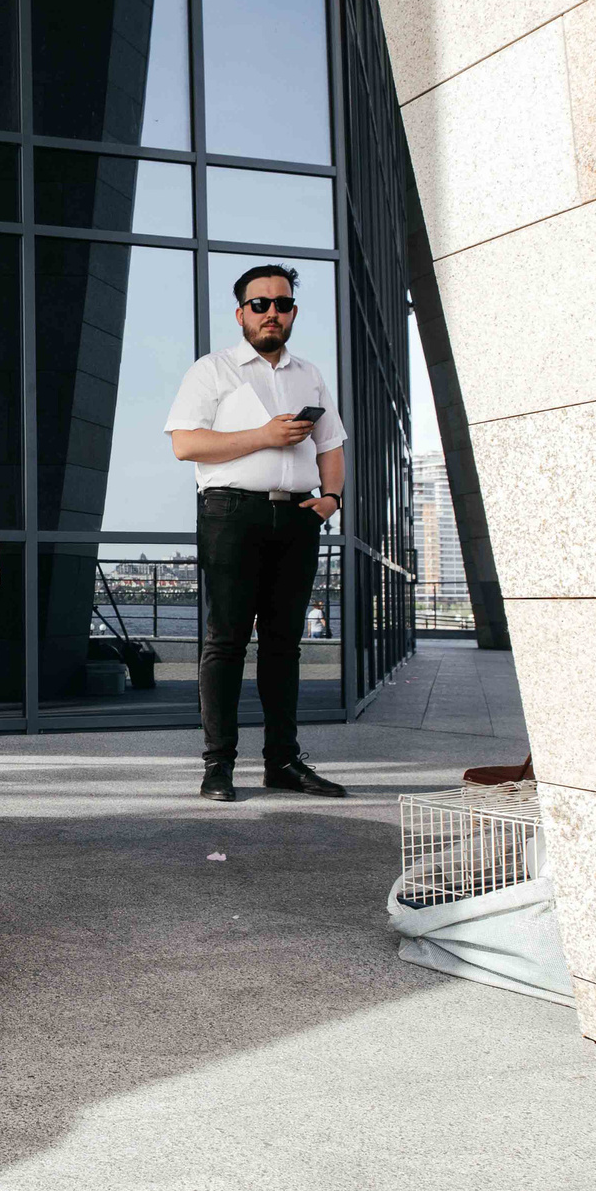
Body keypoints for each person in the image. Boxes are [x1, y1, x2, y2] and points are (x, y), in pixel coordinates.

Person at [167, 264, 351, 802]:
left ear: (293, 312)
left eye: (283, 304)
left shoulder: (309, 374)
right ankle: (218, 766)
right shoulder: (214, 370)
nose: (273, 312)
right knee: (225, 642)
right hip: (231, 515)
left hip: (297, 516)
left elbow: (330, 445)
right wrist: (265, 436)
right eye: (261, 304)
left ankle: (283, 763)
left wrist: (331, 500)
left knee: (283, 646)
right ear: (241, 313)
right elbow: (185, 444)